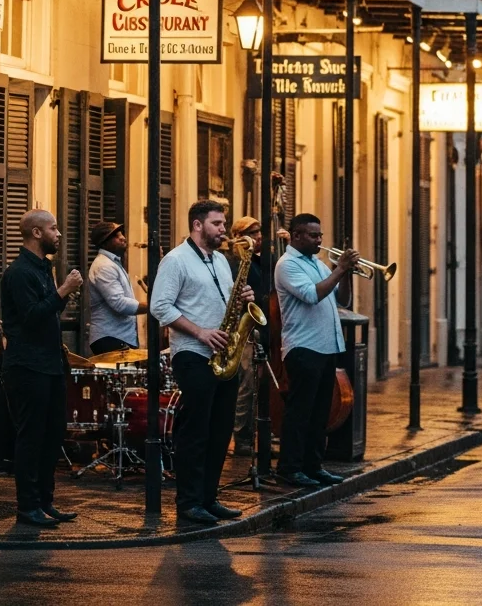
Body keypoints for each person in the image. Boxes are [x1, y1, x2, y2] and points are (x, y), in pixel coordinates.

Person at [150, 199, 255, 525]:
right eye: (217, 224)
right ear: (197, 225)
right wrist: (201, 333)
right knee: (195, 432)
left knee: (220, 430)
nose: (224, 229)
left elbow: (224, 298)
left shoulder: (221, 261)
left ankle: (209, 498)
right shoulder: (176, 260)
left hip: (225, 354)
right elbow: (160, 307)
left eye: (223, 223)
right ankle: (189, 502)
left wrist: (243, 299)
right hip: (193, 355)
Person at [0, 209, 83, 526]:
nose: (59, 234)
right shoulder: (20, 272)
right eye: (54, 228)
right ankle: (27, 506)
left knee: (52, 435)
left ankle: (45, 501)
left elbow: (48, 314)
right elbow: (32, 317)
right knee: (31, 436)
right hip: (27, 366)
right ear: (37, 233)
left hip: (49, 364)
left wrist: (59, 292)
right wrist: (64, 290)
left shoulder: (42, 268)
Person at [273, 213, 356, 488]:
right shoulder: (287, 265)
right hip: (303, 347)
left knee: (320, 412)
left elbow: (342, 300)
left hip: (326, 345)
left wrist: (346, 276)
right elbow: (312, 295)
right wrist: (339, 269)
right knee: (300, 411)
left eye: (320, 235)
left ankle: (313, 465)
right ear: (296, 235)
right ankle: (290, 468)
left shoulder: (318, 264)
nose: (319, 240)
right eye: (312, 235)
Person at [225, 215, 268, 456]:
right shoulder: (231, 261)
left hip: (258, 329)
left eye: (259, 231)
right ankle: (241, 438)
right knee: (247, 386)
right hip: (240, 330)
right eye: (253, 233)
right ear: (239, 237)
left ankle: (253, 436)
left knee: (255, 387)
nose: (259, 237)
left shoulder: (257, 260)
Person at [87, 220, 147, 355]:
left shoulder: (112, 264)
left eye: (121, 234)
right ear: (104, 242)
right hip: (111, 338)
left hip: (119, 337)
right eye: (116, 235)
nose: (123, 238)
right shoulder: (104, 266)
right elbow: (120, 304)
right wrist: (152, 306)